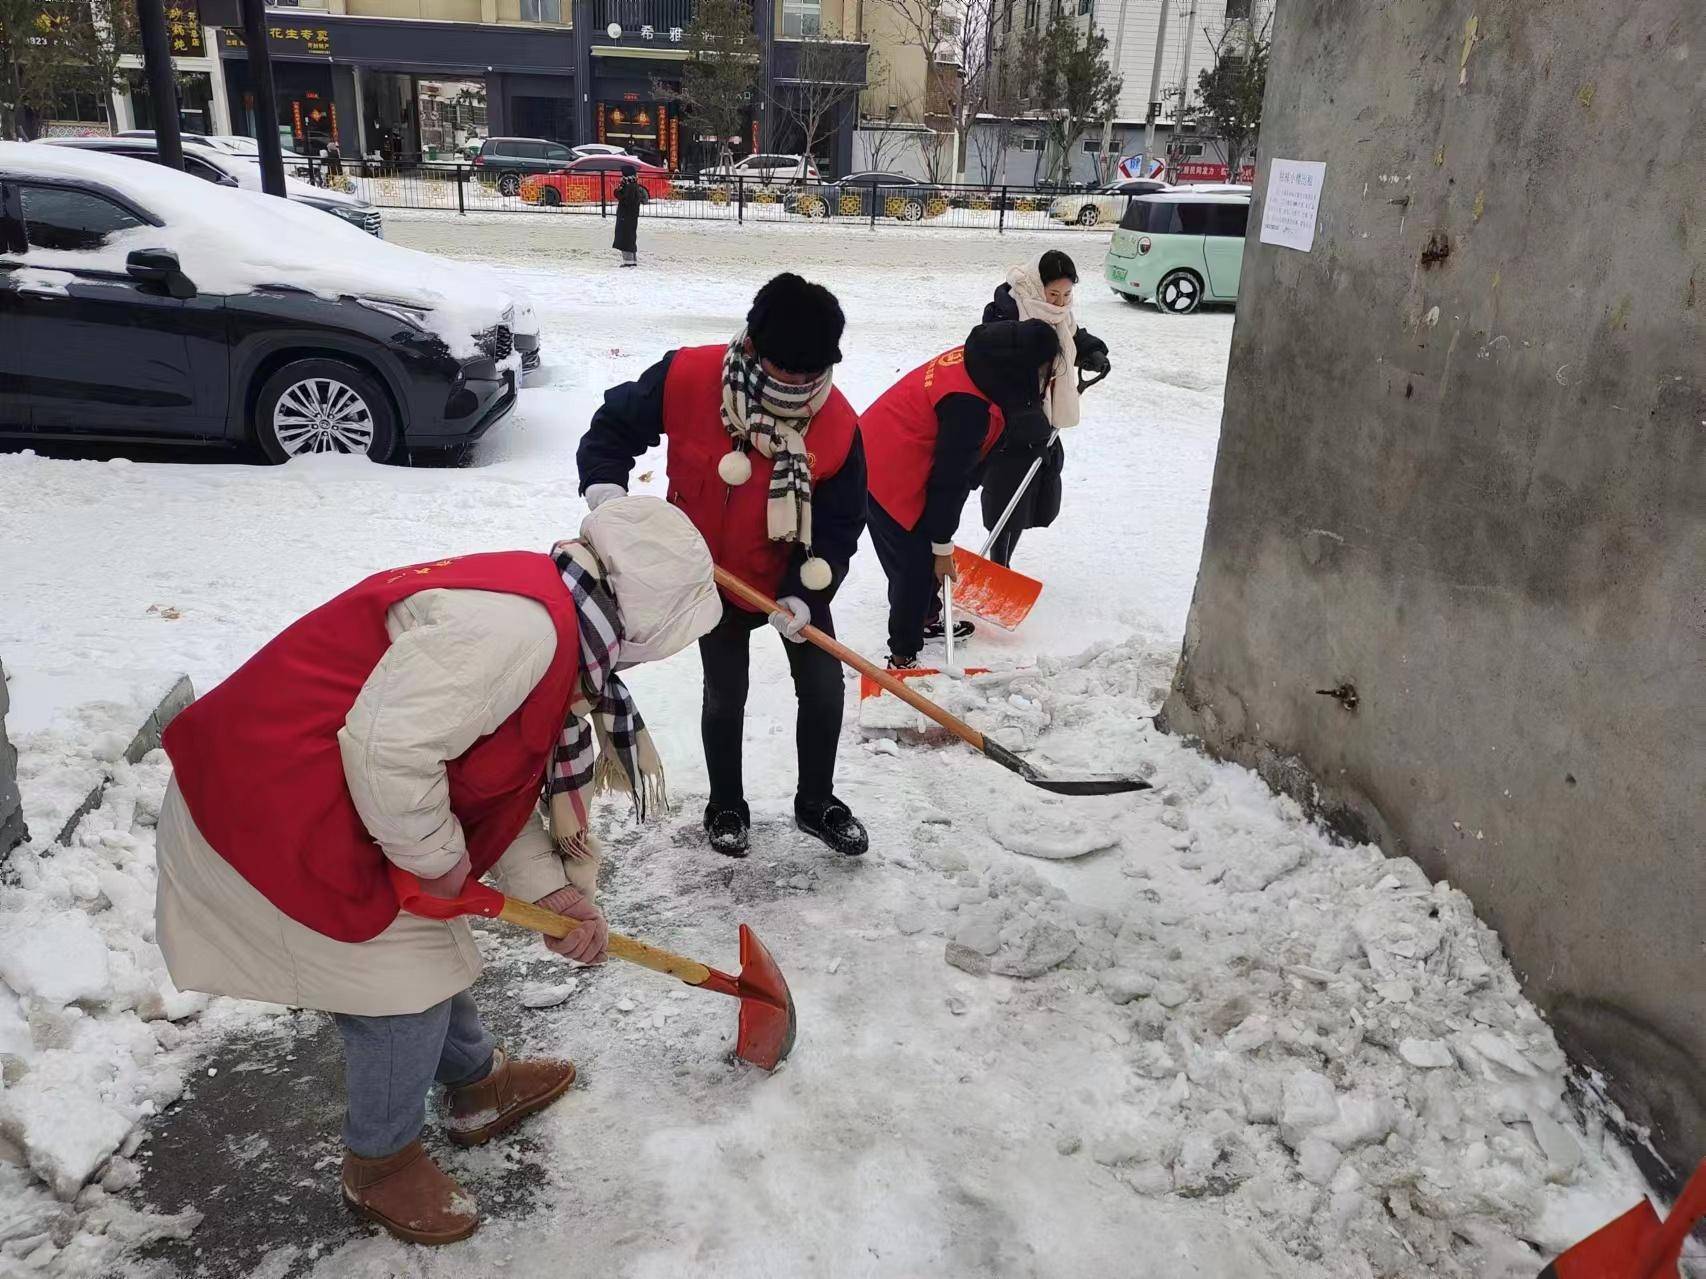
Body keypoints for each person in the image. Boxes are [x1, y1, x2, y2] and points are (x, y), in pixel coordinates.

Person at [154, 497, 722, 1247]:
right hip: (266, 806)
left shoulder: (552, 616)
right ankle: (380, 1163)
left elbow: (493, 780)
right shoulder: (517, 632)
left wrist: (549, 892)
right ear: (645, 625)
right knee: (399, 991)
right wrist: (443, 863)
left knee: (427, 952)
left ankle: (475, 1084)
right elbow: (391, 753)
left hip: (338, 796)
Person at [577, 273, 869, 859]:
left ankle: (816, 802)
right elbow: (612, 428)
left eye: (811, 373)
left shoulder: (839, 425)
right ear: (755, 348)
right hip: (710, 576)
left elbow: (841, 521)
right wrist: (606, 493)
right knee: (725, 691)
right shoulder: (688, 377)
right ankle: (727, 804)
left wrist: (806, 592)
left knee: (823, 688)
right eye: (786, 370)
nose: (799, 384)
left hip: (791, 578)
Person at [860, 319, 1059, 667]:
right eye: (1041, 372)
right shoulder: (967, 407)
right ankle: (902, 656)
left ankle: (925, 618)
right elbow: (949, 482)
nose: (1043, 380)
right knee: (914, 567)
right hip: (886, 470)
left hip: (881, 443)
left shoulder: (983, 359)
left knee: (919, 560)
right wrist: (941, 546)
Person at [978, 250, 1112, 566]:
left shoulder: (1059, 314)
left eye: (1067, 295)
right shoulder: (1007, 311)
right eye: (1053, 294)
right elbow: (991, 360)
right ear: (1038, 286)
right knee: (1006, 493)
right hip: (1009, 419)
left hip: (1043, 415)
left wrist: (1091, 350)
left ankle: (1003, 563)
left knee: (1030, 491)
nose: (1060, 302)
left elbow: (1072, 337)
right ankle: (998, 564)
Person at [614, 165, 642, 267]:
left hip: (626, 216)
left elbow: (626, 200)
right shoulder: (633, 184)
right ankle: (632, 261)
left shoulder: (629, 186)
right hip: (630, 216)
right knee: (630, 237)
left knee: (625, 237)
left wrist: (617, 192)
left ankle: (628, 262)